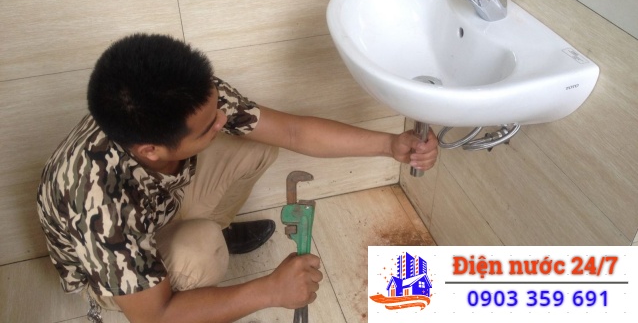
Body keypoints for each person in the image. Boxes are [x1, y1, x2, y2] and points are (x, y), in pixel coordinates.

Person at [37, 33, 438, 323]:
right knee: (201, 250)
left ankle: (209, 234)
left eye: (217, 110)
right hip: (114, 265)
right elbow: (155, 317)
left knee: (256, 145)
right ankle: (196, 273)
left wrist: (390, 145)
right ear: (151, 150)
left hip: (159, 202)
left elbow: (292, 131)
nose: (222, 121)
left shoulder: (186, 96)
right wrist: (270, 291)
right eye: (208, 127)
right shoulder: (99, 205)